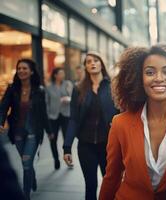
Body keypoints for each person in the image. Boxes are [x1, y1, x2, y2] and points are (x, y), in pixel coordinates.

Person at [99, 43, 166, 200]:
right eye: (150, 72)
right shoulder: (120, 124)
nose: (159, 78)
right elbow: (112, 177)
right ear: (139, 78)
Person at [63, 52, 118, 200]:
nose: (92, 63)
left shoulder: (113, 87)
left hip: (108, 146)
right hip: (86, 146)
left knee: (111, 185)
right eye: (88, 62)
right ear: (86, 67)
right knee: (90, 185)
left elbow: (122, 113)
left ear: (101, 64)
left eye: (96, 60)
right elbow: (73, 118)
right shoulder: (79, 89)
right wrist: (67, 146)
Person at [0, 59, 52, 200]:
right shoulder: (12, 89)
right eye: (19, 68)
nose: (21, 71)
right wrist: (1, 122)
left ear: (31, 71)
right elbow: (3, 106)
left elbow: (43, 113)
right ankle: (32, 176)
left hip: (33, 132)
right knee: (25, 163)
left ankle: (26, 194)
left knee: (26, 162)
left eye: (25, 68)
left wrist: (49, 131)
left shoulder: (39, 90)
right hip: (17, 132)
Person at [46, 67, 73, 170]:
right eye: (60, 73)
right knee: (53, 139)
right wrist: (48, 116)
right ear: (55, 75)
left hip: (66, 114)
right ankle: (56, 159)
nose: (63, 75)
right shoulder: (49, 87)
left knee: (67, 138)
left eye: (63, 73)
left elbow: (72, 97)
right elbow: (46, 103)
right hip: (53, 116)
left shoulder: (68, 84)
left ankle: (68, 158)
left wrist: (68, 98)